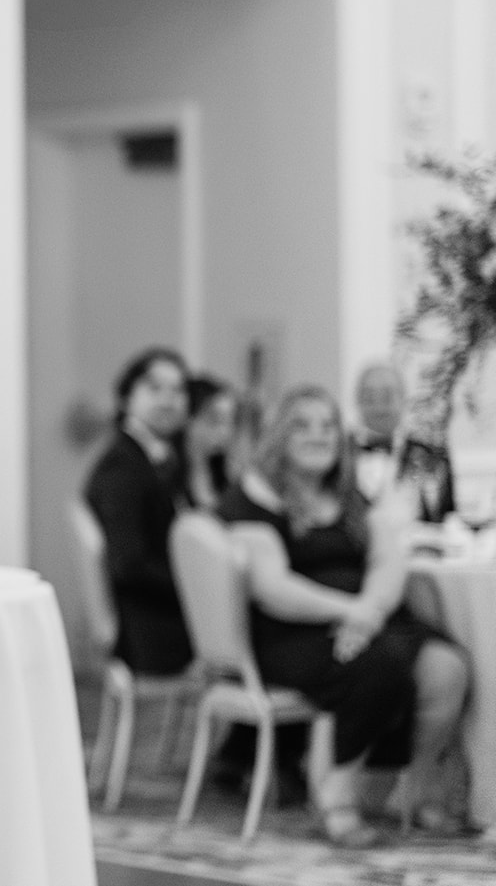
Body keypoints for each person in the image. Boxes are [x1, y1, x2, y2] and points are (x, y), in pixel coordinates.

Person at [219, 384, 470, 847]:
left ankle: (412, 787)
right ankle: (336, 791)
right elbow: (273, 587)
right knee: (377, 667)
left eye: (328, 425)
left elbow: (387, 558)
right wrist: (352, 611)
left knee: (448, 668)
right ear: (278, 435)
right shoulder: (253, 497)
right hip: (290, 631)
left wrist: (369, 612)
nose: (319, 435)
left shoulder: (347, 494)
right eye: (302, 425)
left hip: (367, 621)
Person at [82, 347, 194, 676]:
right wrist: (198, 585)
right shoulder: (123, 468)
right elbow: (129, 564)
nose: (168, 400)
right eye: (155, 388)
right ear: (126, 397)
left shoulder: (159, 460)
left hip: (157, 618)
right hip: (150, 630)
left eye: (178, 390)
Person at [352, 361, 457, 522]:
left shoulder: (433, 456)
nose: (379, 406)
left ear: (403, 399)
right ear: (357, 402)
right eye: (369, 397)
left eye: (387, 396)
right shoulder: (340, 455)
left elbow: (447, 520)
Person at [181, 374, 239, 512]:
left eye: (231, 421)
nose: (225, 432)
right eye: (215, 421)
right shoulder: (166, 474)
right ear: (187, 418)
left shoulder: (224, 470)